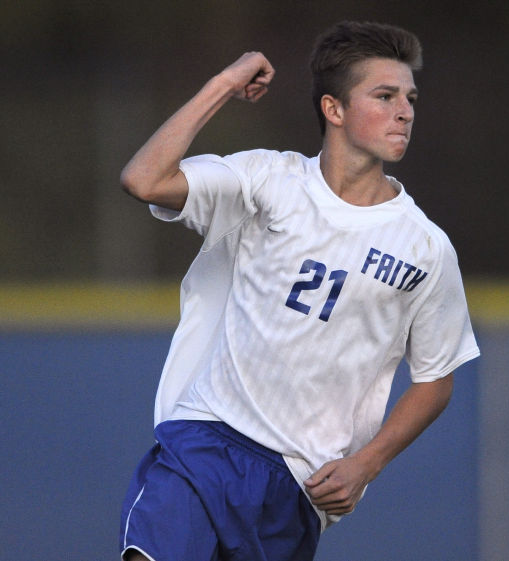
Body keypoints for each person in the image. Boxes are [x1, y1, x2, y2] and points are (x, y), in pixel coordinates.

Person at [118, 20, 480, 561]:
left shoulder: (425, 248)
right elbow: (144, 178)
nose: (404, 110)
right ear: (333, 110)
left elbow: (435, 379)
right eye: (383, 96)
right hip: (207, 440)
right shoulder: (270, 182)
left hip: (298, 485)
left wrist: (367, 463)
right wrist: (224, 82)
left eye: (409, 97)